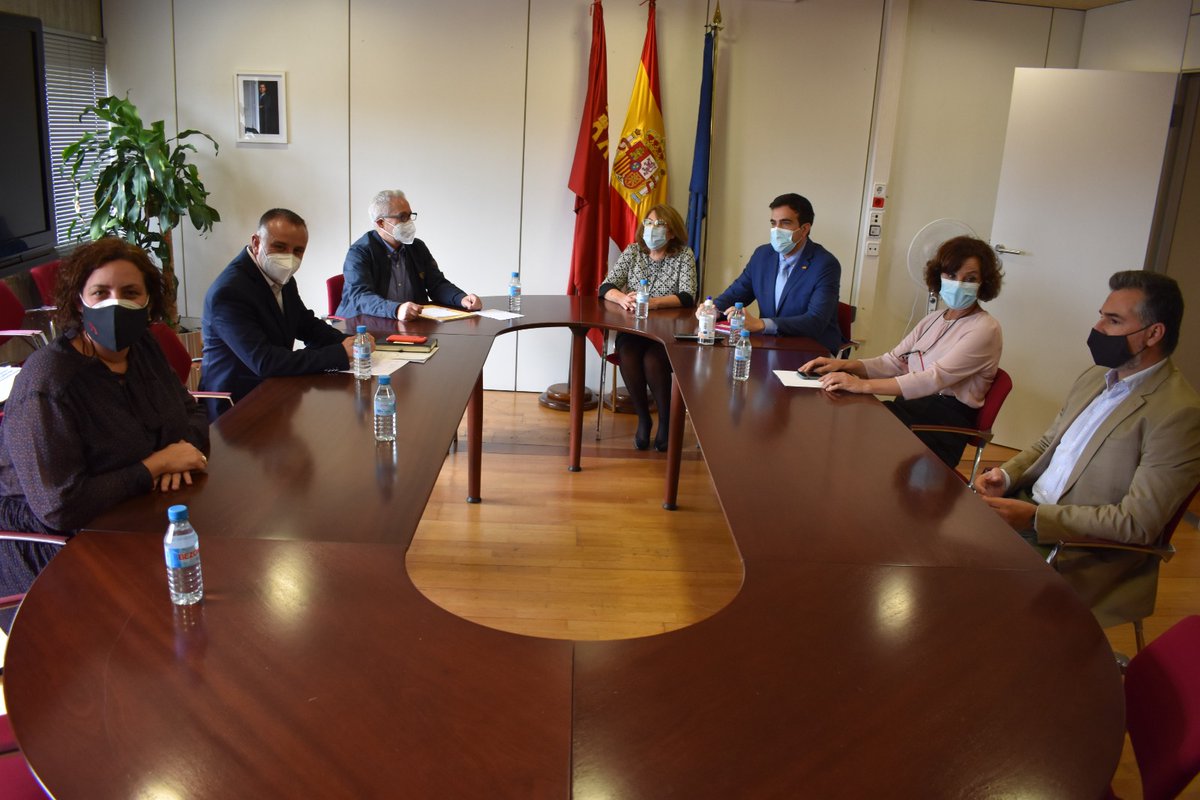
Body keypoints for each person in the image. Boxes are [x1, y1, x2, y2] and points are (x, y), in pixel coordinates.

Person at [0, 238, 210, 629]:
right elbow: (59, 507)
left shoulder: (142, 346)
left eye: (130, 293)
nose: (116, 303)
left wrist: (182, 453)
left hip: (137, 514)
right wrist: (155, 465)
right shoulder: (49, 381)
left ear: (148, 300)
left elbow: (191, 413)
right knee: (151, 630)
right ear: (80, 301)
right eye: (101, 292)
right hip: (58, 546)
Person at [973, 271, 1200, 627]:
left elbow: (1136, 523)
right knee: (937, 543)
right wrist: (1006, 475)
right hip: (1027, 508)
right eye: (1101, 316)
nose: (1098, 328)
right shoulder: (1096, 376)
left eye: (1113, 321)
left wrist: (1035, 518)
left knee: (969, 591)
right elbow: (1048, 443)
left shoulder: (1178, 414)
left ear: (1154, 333)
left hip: (1078, 549)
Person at [800, 236, 1004, 468]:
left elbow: (933, 379)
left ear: (984, 282)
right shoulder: (933, 319)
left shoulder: (985, 329)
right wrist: (844, 365)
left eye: (970, 279)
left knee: (852, 433)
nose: (958, 284)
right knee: (841, 418)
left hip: (940, 424)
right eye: (951, 275)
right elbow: (894, 362)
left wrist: (861, 385)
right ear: (939, 276)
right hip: (911, 408)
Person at [199, 208, 353, 415]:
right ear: (256, 243)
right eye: (279, 247)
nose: (289, 257)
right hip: (236, 405)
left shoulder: (282, 278)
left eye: (298, 251)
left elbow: (307, 325)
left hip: (277, 390)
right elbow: (265, 361)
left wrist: (351, 341)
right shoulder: (229, 292)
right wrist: (339, 353)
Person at [600, 204, 698, 451]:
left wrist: (653, 303)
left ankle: (666, 421)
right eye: (649, 223)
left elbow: (688, 296)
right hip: (634, 328)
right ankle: (643, 418)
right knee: (628, 354)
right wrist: (621, 298)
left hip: (667, 331)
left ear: (672, 232)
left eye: (660, 224)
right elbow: (606, 287)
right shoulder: (633, 251)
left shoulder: (683, 255)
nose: (653, 229)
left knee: (653, 361)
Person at [709, 193, 842, 354]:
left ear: (804, 229)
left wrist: (761, 324)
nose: (777, 230)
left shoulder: (825, 264)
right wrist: (712, 310)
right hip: (769, 346)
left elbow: (815, 321)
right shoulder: (762, 255)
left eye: (785, 223)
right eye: (773, 223)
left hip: (810, 350)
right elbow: (737, 293)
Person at [336, 190, 481, 321]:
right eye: (403, 217)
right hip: (366, 326)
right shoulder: (359, 252)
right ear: (381, 223)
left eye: (410, 216)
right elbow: (360, 297)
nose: (409, 222)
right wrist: (396, 309)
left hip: (411, 324)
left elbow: (437, 284)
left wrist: (461, 298)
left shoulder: (417, 247)